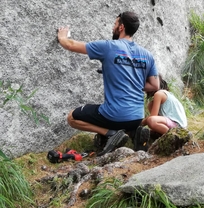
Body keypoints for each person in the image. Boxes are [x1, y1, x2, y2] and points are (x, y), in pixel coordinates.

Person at [57, 11, 159, 156]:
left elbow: (70, 45)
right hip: (137, 116)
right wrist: (133, 84)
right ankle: (133, 133)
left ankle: (110, 134)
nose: (113, 27)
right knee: (125, 120)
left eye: (115, 24)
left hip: (114, 115)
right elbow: (155, 85)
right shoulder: (147, 55)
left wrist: (62, 35)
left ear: (121, 27)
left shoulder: (108, 47)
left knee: (72, 117)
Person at [134, 76, 187, 151]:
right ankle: (161, 136)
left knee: (151, 120)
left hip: (178, 127)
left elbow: (153, 117)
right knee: (150, 108)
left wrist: (139, 123)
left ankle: (173, 137)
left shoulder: (159, 94)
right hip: (173, 124)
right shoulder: (163, 95)